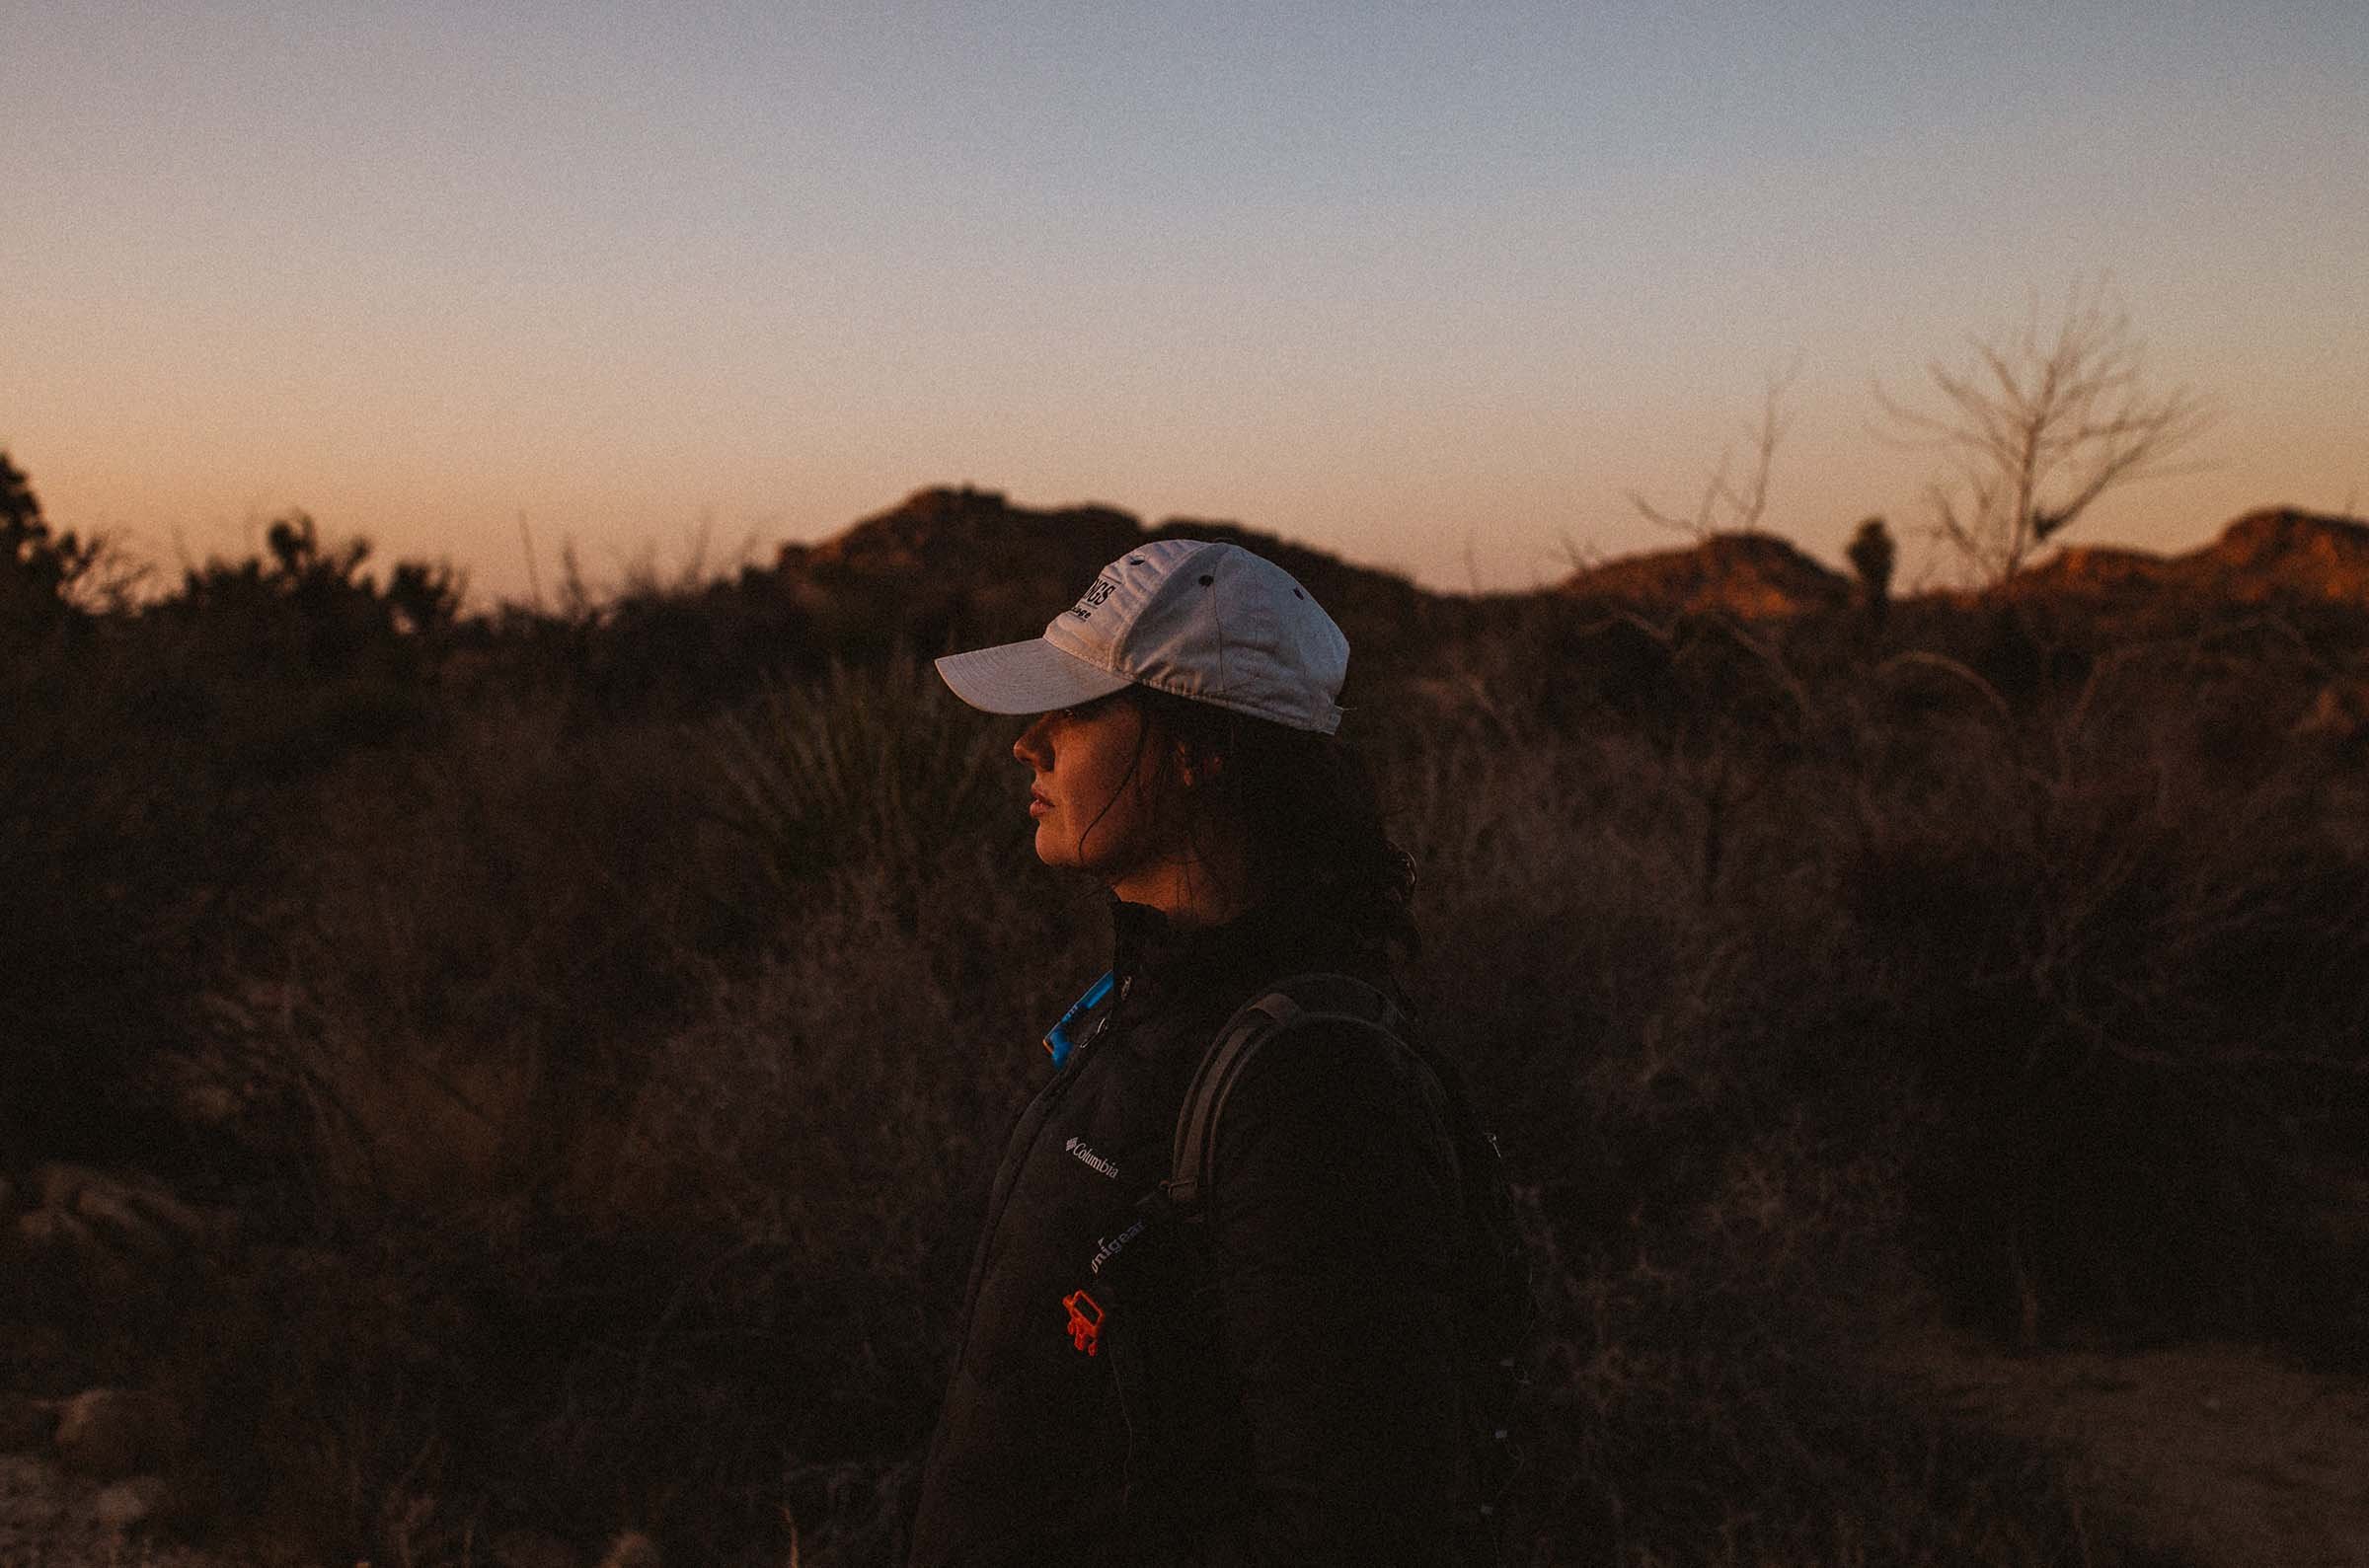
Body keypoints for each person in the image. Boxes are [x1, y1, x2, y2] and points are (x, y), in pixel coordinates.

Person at [907, 539, 1481, 1566]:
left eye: (1078, 709)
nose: (1027, 743)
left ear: (1198, 750)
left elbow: (1351, 1523)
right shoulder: (1146, 1005)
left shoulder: (1314, 1091)